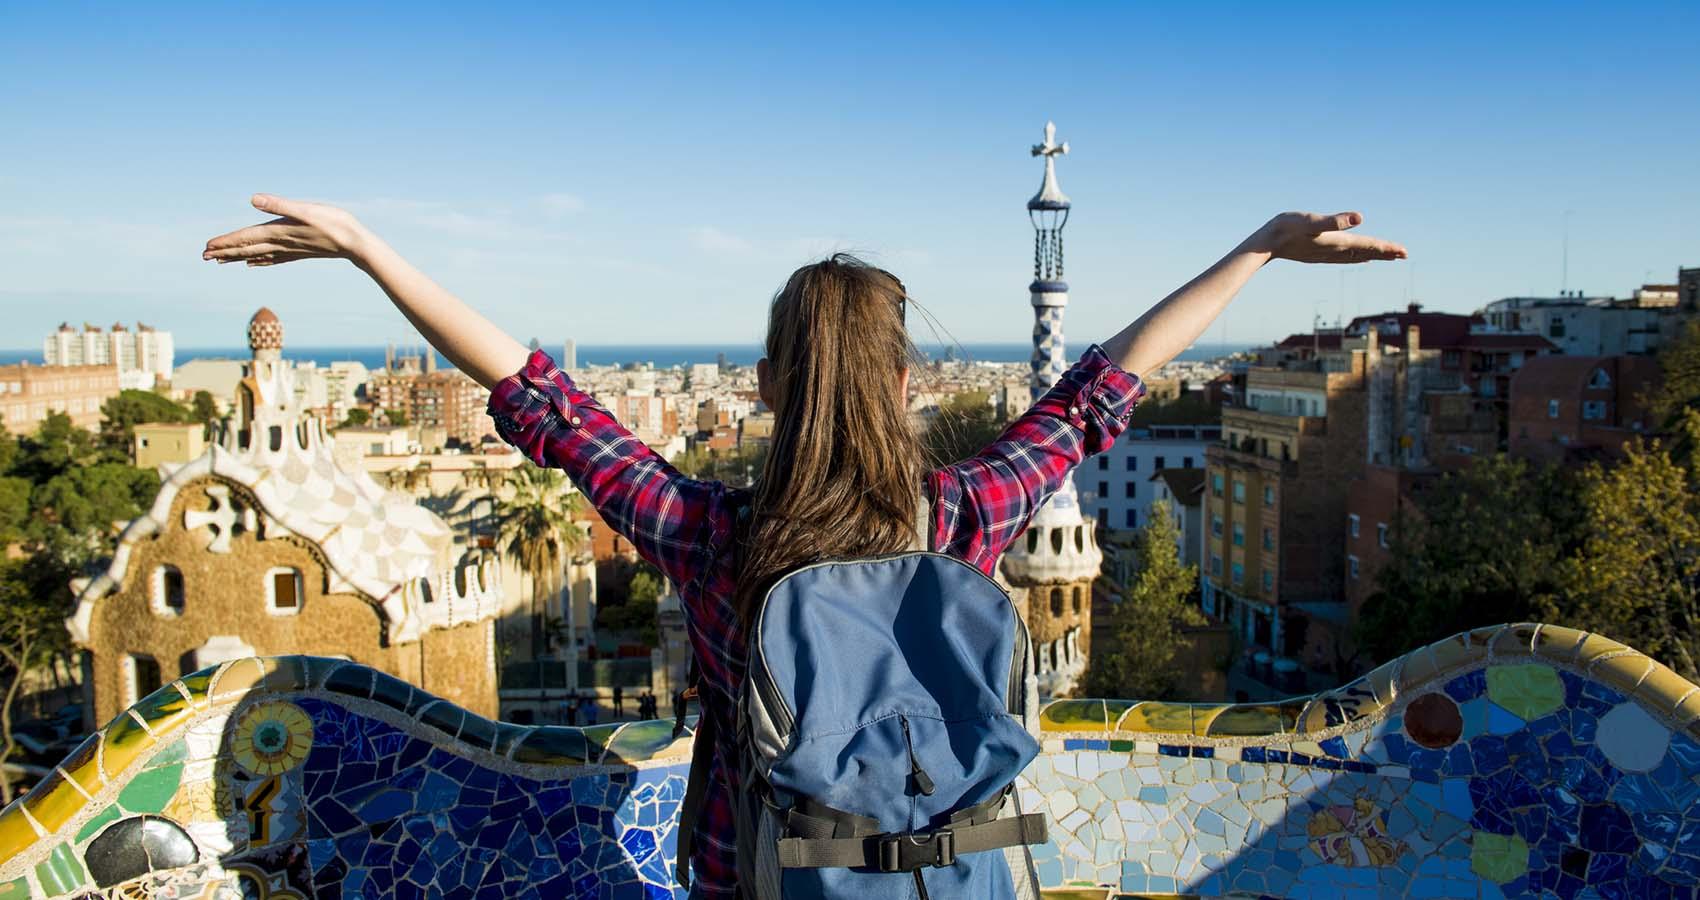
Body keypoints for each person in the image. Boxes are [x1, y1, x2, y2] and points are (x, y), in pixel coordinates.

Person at [203, 195, 1405, 897]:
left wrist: (367, 247)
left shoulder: (715, 537)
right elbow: (1105, 387)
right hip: (947, 875)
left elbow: (541, 400)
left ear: (770, 384)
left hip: (762, 874)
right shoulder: (963, 516)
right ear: (904, 382)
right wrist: (1259, 244)